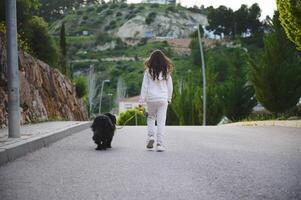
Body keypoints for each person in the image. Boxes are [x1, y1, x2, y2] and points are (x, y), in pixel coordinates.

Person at [138, 49, 173, 152]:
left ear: (151, 60)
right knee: (161, 122)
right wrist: (169, 98)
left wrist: (141, 101)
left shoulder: (148, 71)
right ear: (163, 60)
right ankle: (159, 144)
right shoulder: (166, 71)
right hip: (163, 99)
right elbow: (170, 86)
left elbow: (144, 87)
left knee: (151, 118)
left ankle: (151, 137)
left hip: (151, 99)